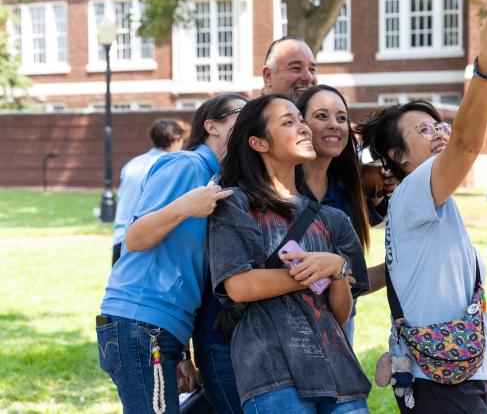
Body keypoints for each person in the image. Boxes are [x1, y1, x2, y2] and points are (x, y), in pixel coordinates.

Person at [357, 0, 487, 413]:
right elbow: (467, 145)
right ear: (397, 154)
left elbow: (461, 298)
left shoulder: (435, 202)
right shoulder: (414, 192)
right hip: (442, 385)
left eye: (440, 125)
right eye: (424, 129)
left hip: (464, 372)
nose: (440, 133)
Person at [208, 94, 371, 413]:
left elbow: (339, 314)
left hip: (340, 374)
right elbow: (239, 286)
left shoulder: (333, 220)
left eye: (301, 119)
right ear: (259, 143)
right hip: (272, 375)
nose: (304, 128)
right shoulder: (235, 205)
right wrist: (317, 271)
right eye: (288, 122)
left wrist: (336, 268)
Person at [96, 94, 245, 414]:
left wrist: (182, 356)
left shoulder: (217, 179)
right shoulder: (186, 164)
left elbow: (189, 273)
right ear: (212, 126)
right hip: (139, 320)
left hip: (166, 329)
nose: (249, 121)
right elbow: (134, 238)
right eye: (240, 114)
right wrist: (184, 207)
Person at [296, 84, 390, 346]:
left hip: (339, 325)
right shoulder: (277, 189)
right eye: (321, 116)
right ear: (299, 124)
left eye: (341, 118)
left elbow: (352, 277)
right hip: (287, 327)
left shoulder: (349, 191)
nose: (335, 125)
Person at [112, 118, 188, 265]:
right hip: (146, 241)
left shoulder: (132, 163)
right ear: (177, 139)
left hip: (120, 238)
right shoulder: (171, 165)